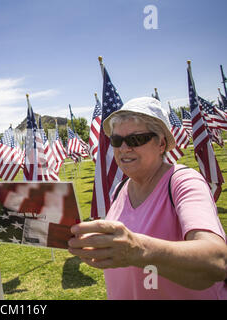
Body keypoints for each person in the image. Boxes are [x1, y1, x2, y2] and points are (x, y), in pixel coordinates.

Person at [68, 97, 227, 299]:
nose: (124, 148)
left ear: (161, 143)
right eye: (116, 140)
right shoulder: (119, 189)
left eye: (136, 139)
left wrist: (137, 249)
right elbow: (122, 254)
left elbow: (216, 261)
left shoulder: (183, 182)